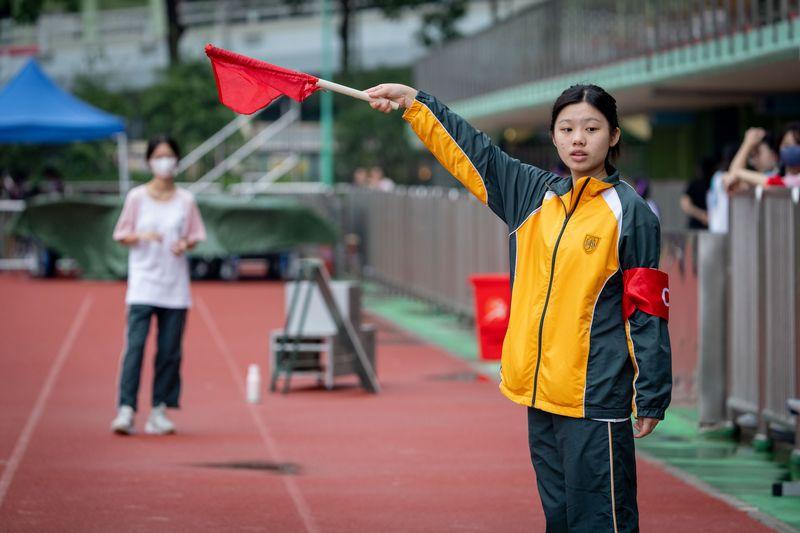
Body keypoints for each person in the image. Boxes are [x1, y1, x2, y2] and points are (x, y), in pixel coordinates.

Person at [366, 83, 671, 531]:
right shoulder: (532, 194)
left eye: (591, 129)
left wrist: (652, 392)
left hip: (594, 399)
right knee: (559, 520)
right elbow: (475, 154)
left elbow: (647, 309)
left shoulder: (631, 212)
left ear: (614, 136)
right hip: (538, 393)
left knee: (603, 522)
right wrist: (415, 103)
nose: (578, 139)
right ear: (554, 136)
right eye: (567, 128)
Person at [110, 134, 206, 435]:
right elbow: (121, 234)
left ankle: (159, 409)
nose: (164, 162)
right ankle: (126, 408)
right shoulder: (137, 198)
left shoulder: (185, 200)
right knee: (136, 346)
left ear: (177, 160)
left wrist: (184, 244)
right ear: (150, 161)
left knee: (169, 351)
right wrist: (142, 236)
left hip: (174, 287)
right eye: (158, 156)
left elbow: (195, 236)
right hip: (143, 284)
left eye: (169, 156)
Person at [726, 123, 800, 188]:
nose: (792, 149)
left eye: (797, 144)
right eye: (787, 145)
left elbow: (779, 184)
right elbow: (732, 182)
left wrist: (739, 172)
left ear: (773, 153)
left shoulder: (780, 180)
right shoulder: (776, 175)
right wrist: (747, 144)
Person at [705, 144, 739, 234]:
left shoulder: (716, 177)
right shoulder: (720, 177)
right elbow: (731, 180)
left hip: (717, 226)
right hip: (722, 227)